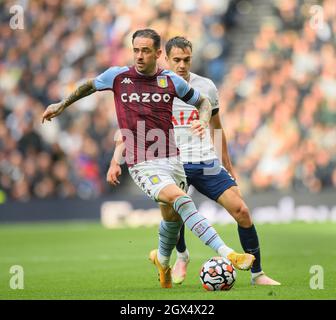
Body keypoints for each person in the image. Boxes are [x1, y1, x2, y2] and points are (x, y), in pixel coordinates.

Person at [42, 29, 255, 289]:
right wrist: (61, 104)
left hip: (173, 160)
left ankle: (163, 262)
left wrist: (201, 120)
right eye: (136, 50)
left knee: (171, 220)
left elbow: (204, 103)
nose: (139, 56)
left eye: (145, 51)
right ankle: (227, 253)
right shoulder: (118, 76)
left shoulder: (171, 81)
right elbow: (88, 85)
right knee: (181, 199)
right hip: (142, 162)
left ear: (157, 53)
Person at [107, 36, 280, 286]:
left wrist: (227, 165)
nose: (181, 65)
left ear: (192, 58)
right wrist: (116, 159)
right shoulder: (150, 85)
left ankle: (258, 274)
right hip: (169, 161)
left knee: (241, 210)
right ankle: (182, 257)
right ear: (164, 58)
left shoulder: (205, 86)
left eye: (186, 59)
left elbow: (217, 126)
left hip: (205, 160)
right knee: (174, 217)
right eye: (176, 60)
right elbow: (131, 128)